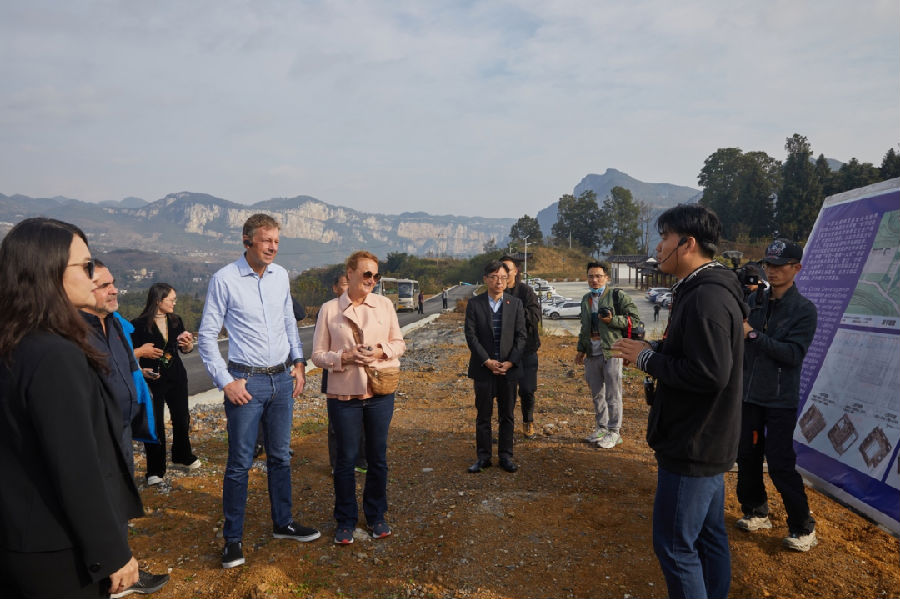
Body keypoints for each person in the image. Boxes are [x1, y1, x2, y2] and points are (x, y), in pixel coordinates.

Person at [0, 218, 143, 598]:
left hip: (21, 535)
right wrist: (112, 552)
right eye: (85, 266)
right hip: (59, 549)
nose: (93, 275)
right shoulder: (54, 355)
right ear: (47, 274)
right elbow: (76, 465)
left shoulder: (17, 342)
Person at [612, 204, 747, 599]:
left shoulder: (706, 298)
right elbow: (694, 351)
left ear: (686, 243)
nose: (659, 245)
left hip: (694, 442)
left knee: (674, 545)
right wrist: (653, 347)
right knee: (708, 537)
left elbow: (709, 372)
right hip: (708, 439)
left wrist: (646, 359)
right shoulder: (705, 289)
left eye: (665, 237)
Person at [198, 213, 320, 569]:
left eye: (277, 242)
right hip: (245, 383)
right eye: (266, 241)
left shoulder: (281, 276)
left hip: (282, 379)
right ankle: (232, 540)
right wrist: (225, 381)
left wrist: (299, 363)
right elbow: (206, 336)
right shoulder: (224, 279)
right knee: (239, 462)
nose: (272, 247)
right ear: (247, 240)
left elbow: (288, 322)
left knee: (281, 456)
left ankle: (284, 523)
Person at [81, 261, 171, 597]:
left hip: (121, 429)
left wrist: (139, 384)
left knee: (118, 501)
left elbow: (123, 368)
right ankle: (108, 575)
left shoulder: (115, 325)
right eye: (103, 285)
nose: (114, 289)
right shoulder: (74, 331)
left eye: (113, 282)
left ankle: (119, 568)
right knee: (99, 503)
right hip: (95, 434)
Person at [312, 251, 406, 544]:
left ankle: (377, 515)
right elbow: (317, 356)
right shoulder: (329, 310)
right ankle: (345, 519)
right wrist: (345, 357)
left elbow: (399, 343)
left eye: (376, 276)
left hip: (379, 391)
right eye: (367, 274)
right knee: (345, 459)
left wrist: (380, 352)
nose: (372, 280)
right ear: (349, 273)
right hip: (344, 394)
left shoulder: (385, 305)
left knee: (378, 457)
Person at [736, 239, 819, 552]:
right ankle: (756, 511)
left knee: (781, 463)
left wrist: (755, 335)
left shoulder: (804, 310)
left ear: (796, 268)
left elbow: (793, 355)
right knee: (747, 455)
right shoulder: (755, 300)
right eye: (768, 264)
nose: (772, 270)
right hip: (750, 396)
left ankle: (802, 527)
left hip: (780, 401)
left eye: (779, 265)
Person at [132, 283, 201, 485]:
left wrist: (188, 345)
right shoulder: (137, 324)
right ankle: (155, 469)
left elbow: (183, 350)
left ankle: (182, 456)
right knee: (156, 425)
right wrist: (140, 369)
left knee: (181, 419)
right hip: (152, 380)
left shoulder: (175, 321)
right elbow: (129, 354)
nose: (174, 303)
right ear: (157, 300)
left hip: (177, 377)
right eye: (171, 299)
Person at [464, 260, 526, 474]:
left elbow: (521, 336)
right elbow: (471, 336)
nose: (498, 281)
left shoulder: (515, 304)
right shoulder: (475, 304)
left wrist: (510, 362)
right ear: (486, 280)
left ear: (507, 279)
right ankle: (483, 457)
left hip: (508, 370)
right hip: (484, 369)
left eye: (502, 277)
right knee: (483, 415)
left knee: (507, 415)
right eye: (494, 277)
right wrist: (487, 361)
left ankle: (506, 456)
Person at [575, 261, 640, 449]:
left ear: (606, 278)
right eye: (590, 276)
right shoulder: (586, 299)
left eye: (598, 276)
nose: (594, 280)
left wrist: (613, 320)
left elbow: (634, 319)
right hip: (592, 352)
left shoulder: (617, 296)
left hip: (613, 351)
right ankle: (601, 427)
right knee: (597, 393)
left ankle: (614, 431)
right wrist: (581, 348)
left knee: (613, 393)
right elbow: (584, 327)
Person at [324, 274, 368, 474]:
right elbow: (320, 351)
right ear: (335, 288)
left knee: (362, 419)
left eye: (351, 284)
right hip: (335, 374)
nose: (348, 288)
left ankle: (360, 459)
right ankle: (337, 463)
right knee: (336, 424)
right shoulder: (329, 310)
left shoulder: (364, 308)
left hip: (360, 374)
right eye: (344, 285)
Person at [499, 255, 541, 439]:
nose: (504, 273)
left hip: (526, 351)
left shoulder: (526, 292)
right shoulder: (496, 292)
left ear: (516, 271)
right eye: (501, 269)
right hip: (504, 352)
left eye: (507, 269)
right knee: (505, 392)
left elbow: (534, 316)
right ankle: (505, 426)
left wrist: (513, 311)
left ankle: (528, 421)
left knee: (527, 389)